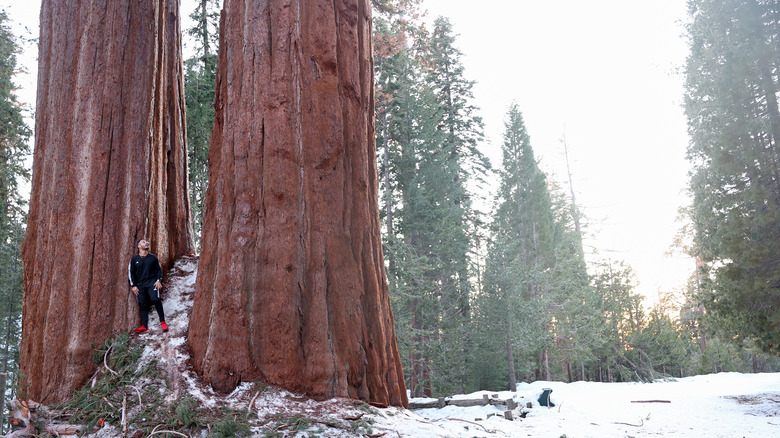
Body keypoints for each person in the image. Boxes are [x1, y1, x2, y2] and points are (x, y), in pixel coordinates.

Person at [128, 239, 168, 333]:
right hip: (140, 285)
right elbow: (131, 273)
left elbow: (159, 270)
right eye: (143, 242)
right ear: (139, 246)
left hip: (152, 282)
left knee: (155, 299)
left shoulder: (153, 258)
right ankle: (144, 325)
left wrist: (158, 280)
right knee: (142, 303)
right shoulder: (134, 259)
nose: (146, 243)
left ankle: (163, 322)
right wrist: (133, 286)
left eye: (146, 242)